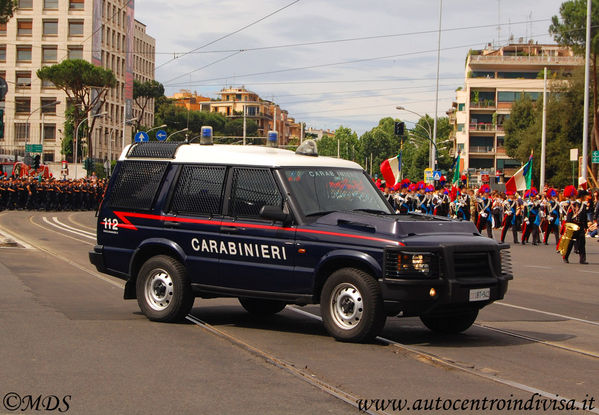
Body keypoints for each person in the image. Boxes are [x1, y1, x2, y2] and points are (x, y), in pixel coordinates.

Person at [563, 189, 589, 264]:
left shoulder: (583, 206)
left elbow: (584, 217)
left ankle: (582, 259)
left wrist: (585, 227)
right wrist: (569, 226)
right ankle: (566, 257)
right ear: (582, 197)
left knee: (582, 243)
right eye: (585, 196)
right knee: (570, 243)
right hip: (573, 226)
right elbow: (569, 216)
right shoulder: (573, 205)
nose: (585, 198)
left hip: (580, 227)